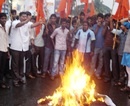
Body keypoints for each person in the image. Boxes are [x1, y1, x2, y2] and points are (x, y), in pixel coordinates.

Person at [10, 12, 44, 87]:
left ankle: (21, 77)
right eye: (23, 16)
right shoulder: (15, 22)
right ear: (19, 16)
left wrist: (39, 22)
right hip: (16, 47)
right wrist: (27, 20)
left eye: (26, 17)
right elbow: (19, 25)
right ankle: (15, 79)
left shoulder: (28, 24)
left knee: (21, 63)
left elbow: (33, 25)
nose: (24, 18)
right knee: (15, 64)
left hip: (23, 47)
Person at [103, 14, 119, 83]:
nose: (108, 19)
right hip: (106, 46)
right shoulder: (106, 26)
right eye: (107, 18)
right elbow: (102, 34)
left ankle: (115, 78)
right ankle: (107, 77)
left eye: (109, 18)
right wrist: (106, 26)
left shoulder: (116, 26)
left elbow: (113, 30)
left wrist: (111, 22)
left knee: (114, 63)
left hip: (113, 47)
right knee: (106, 62)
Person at [91, 13, 105, 79]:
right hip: (95, 46)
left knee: (101, 61)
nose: (99, 20)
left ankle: (97, 73)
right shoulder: (94, 26)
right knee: (93, 60)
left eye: (100, 18)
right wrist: (98, 26)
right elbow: (93, 34)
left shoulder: (104, 26)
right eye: (98, 18)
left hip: (102, 47)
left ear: (102, 19)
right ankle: (91, 73)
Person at [0, 13, 10, 89]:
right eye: (2, 18)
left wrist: (8, 52)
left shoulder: (5, 27)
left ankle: (1, 82)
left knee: (2, 68)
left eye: (4, 18)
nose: (3, 20)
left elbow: (6, 40)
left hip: (4, 50)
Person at [120, 22, 130, 92]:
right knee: (128, 71)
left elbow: (122, 22)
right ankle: (128, 86)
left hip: (129, 53)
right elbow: (122, 22)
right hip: (127, 52)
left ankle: (128, 87)